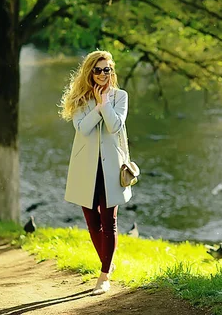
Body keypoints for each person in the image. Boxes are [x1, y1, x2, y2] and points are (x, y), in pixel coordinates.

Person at [59, 50, 133, 295]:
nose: (103, 74)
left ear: (112, 72)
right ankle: (108, 264)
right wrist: (96, 106)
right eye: (98, 70)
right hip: (86, 169)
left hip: (111, 168)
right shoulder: (79, 98)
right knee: (92, 224)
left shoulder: (120, 96)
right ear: (90, 72)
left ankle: (103, 276)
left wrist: (104, 104)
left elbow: (115, 126)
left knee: (109, 222)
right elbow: (82, 129)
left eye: (107, 70)